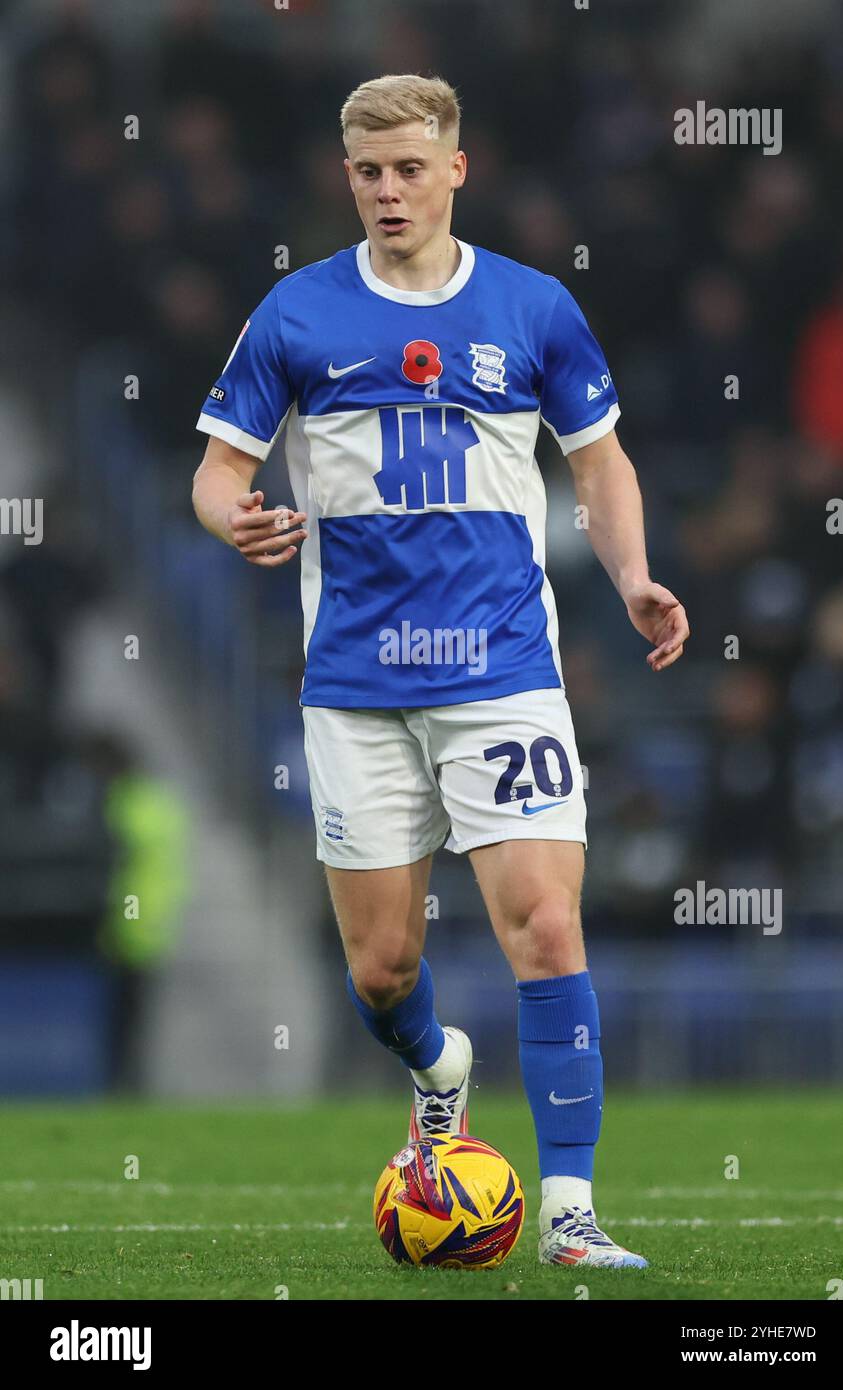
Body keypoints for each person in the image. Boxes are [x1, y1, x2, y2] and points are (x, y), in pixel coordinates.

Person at [191, 73, 689, 1269]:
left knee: (544, 925)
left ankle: (566, 1211)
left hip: (502, 670)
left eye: (410, 168)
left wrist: (627, 575)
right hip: (355, 685)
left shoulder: (531, 309)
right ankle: (438, 1068)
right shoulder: (294, 316)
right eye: (367, 172)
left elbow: (599, 462)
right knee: (380, 970)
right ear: (345, 178)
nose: (387, 191)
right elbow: (214, 474)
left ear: (454, 169)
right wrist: (233, 521)